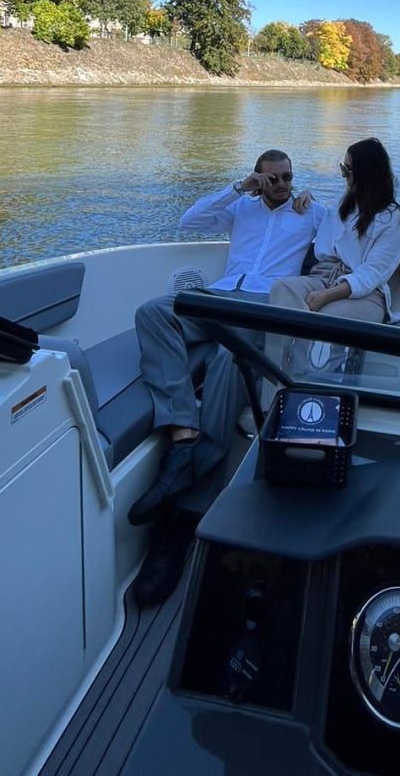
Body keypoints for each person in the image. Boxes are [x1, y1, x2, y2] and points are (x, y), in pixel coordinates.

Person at [129, 150, 325, 533]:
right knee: (152, 313)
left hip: (261, 304)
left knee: (226, 360)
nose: (282, 185)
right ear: (258, 178)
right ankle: (184, 433)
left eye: (287, 177)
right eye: (273, 178)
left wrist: (396, 259)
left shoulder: (310, 212)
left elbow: (351, 233)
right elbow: (189, 221)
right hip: (219, 295)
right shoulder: (241, 207)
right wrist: (238, 188)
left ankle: (193, 502)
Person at [268, 138, 400, 371]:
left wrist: (327, 295)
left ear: (367, 172)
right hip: (323, 278)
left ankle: (300, 379)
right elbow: (331, 227)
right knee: (282, 289)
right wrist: (306, 195)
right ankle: (274, 379)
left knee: (324, 318)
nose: (344, 175)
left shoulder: (391, 217)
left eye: (347, 170)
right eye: (343, 168)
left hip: (364, 294)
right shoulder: (344, 205)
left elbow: (372, 273)